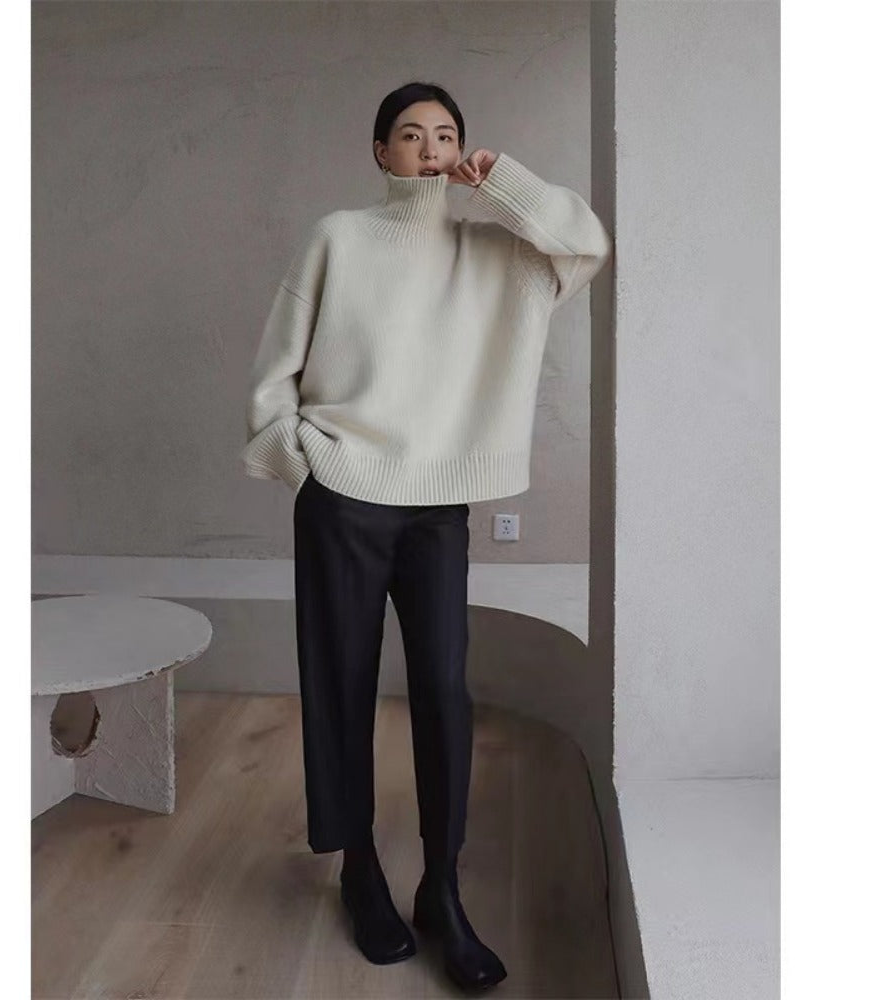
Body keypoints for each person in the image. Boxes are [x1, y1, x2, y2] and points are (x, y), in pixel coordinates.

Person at [242, 81, 611, 992]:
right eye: (410, 134)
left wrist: (503, 183)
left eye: (446, 134)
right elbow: (276, 367)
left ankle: (441, 888)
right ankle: (360, 870)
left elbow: (586, 244)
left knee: (444, 687)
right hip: (342, 495)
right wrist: (301, 462)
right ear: (381, 152)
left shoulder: (493, 254)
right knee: (341, 682)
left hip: (437, 506)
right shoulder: (338, 237)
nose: (430, 147)